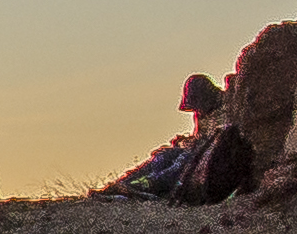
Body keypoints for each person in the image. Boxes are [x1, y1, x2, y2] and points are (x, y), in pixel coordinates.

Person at [97, 73, 257, 205]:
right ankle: (124, 183)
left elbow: (220, 141)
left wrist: (195, 144)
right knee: (162, 156)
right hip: (195, 149)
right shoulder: (201, 115)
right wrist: (184, 141)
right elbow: (199, 136)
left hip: (207, 158)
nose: (198, 111)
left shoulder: (227, 108)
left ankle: (147, 184)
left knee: (180, 162)